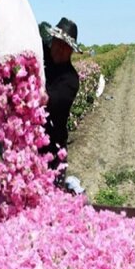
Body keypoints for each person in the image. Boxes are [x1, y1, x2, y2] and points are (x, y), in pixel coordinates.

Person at [41, 17, 82, 185]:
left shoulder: (70, 80)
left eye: (65, 46)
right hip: (30, 147)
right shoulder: (43, 53)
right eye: (58, 43)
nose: (60, 49)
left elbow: (47, 101)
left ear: (71, 51)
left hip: (53, 150)